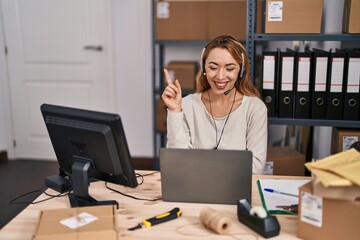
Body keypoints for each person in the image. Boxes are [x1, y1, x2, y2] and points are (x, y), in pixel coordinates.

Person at [161, 35, 267, 174]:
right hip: (195, 186)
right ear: (204, 68)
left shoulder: (255, 108)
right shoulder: (187, 105)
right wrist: (174, 111)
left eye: (229, 68)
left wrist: (203, 168)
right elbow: (178, 160)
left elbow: (256, 167)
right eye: (213, 67)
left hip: (234, 188)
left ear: (241, 71)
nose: (220, 76)